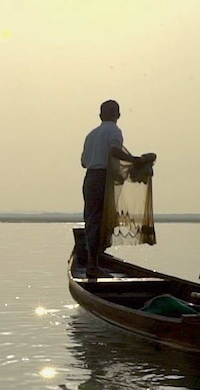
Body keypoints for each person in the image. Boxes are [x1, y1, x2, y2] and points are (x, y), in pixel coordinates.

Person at [80, 99, 153, 278]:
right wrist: (134, 160)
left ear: (100, 115)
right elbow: (114, 150)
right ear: (118, 115)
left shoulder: (91, 134)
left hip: (90, 178)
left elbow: (83, 162)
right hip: (103, 179)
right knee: (101, 221)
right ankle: (93, 265)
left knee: (93, 220)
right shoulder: (114, 130)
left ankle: (93, 263)